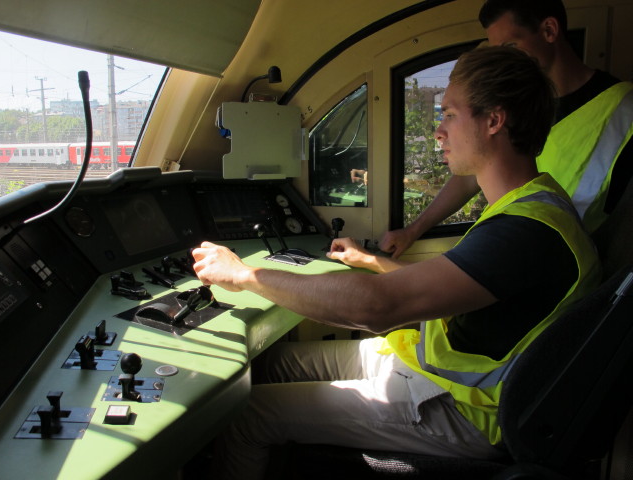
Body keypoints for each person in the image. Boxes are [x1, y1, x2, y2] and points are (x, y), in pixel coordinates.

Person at [192, 46, 601, 480]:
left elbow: (375, 307)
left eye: (449, 114)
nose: (438, 130)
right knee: (273, 366)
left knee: (248, 413)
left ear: (494, 121)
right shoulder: (529, 203)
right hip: (423, 365)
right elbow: (455, 285)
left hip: (464, 409)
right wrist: (371, 260)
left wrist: (243, 274)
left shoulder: (525, 231)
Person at [380, 0, 633, 258]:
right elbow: (476, 165)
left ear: (549, 30)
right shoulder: (512, 106)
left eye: (511, 46)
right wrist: (413, 230)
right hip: (521, 246)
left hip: (559, 262)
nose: (502, 60)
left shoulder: (623, 110)